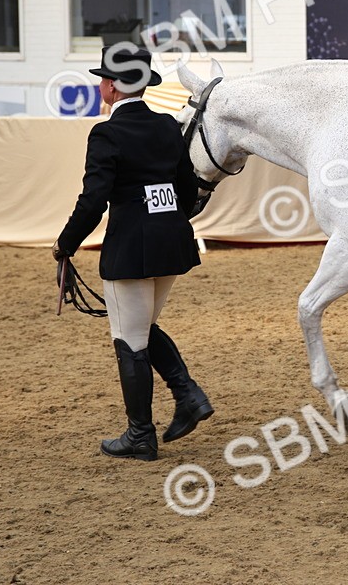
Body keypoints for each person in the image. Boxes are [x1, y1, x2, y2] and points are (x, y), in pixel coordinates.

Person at [53, 45, 213, 461]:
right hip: (171, 243)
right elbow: (186, 188)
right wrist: (163, 219)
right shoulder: (166, 126)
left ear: (110, 85)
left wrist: (66, 243)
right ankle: (187, 394)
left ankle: (141, 434)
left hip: (132, 249)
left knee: (130, 338)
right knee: (143, 326)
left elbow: (94, 200)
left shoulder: (106, 133)